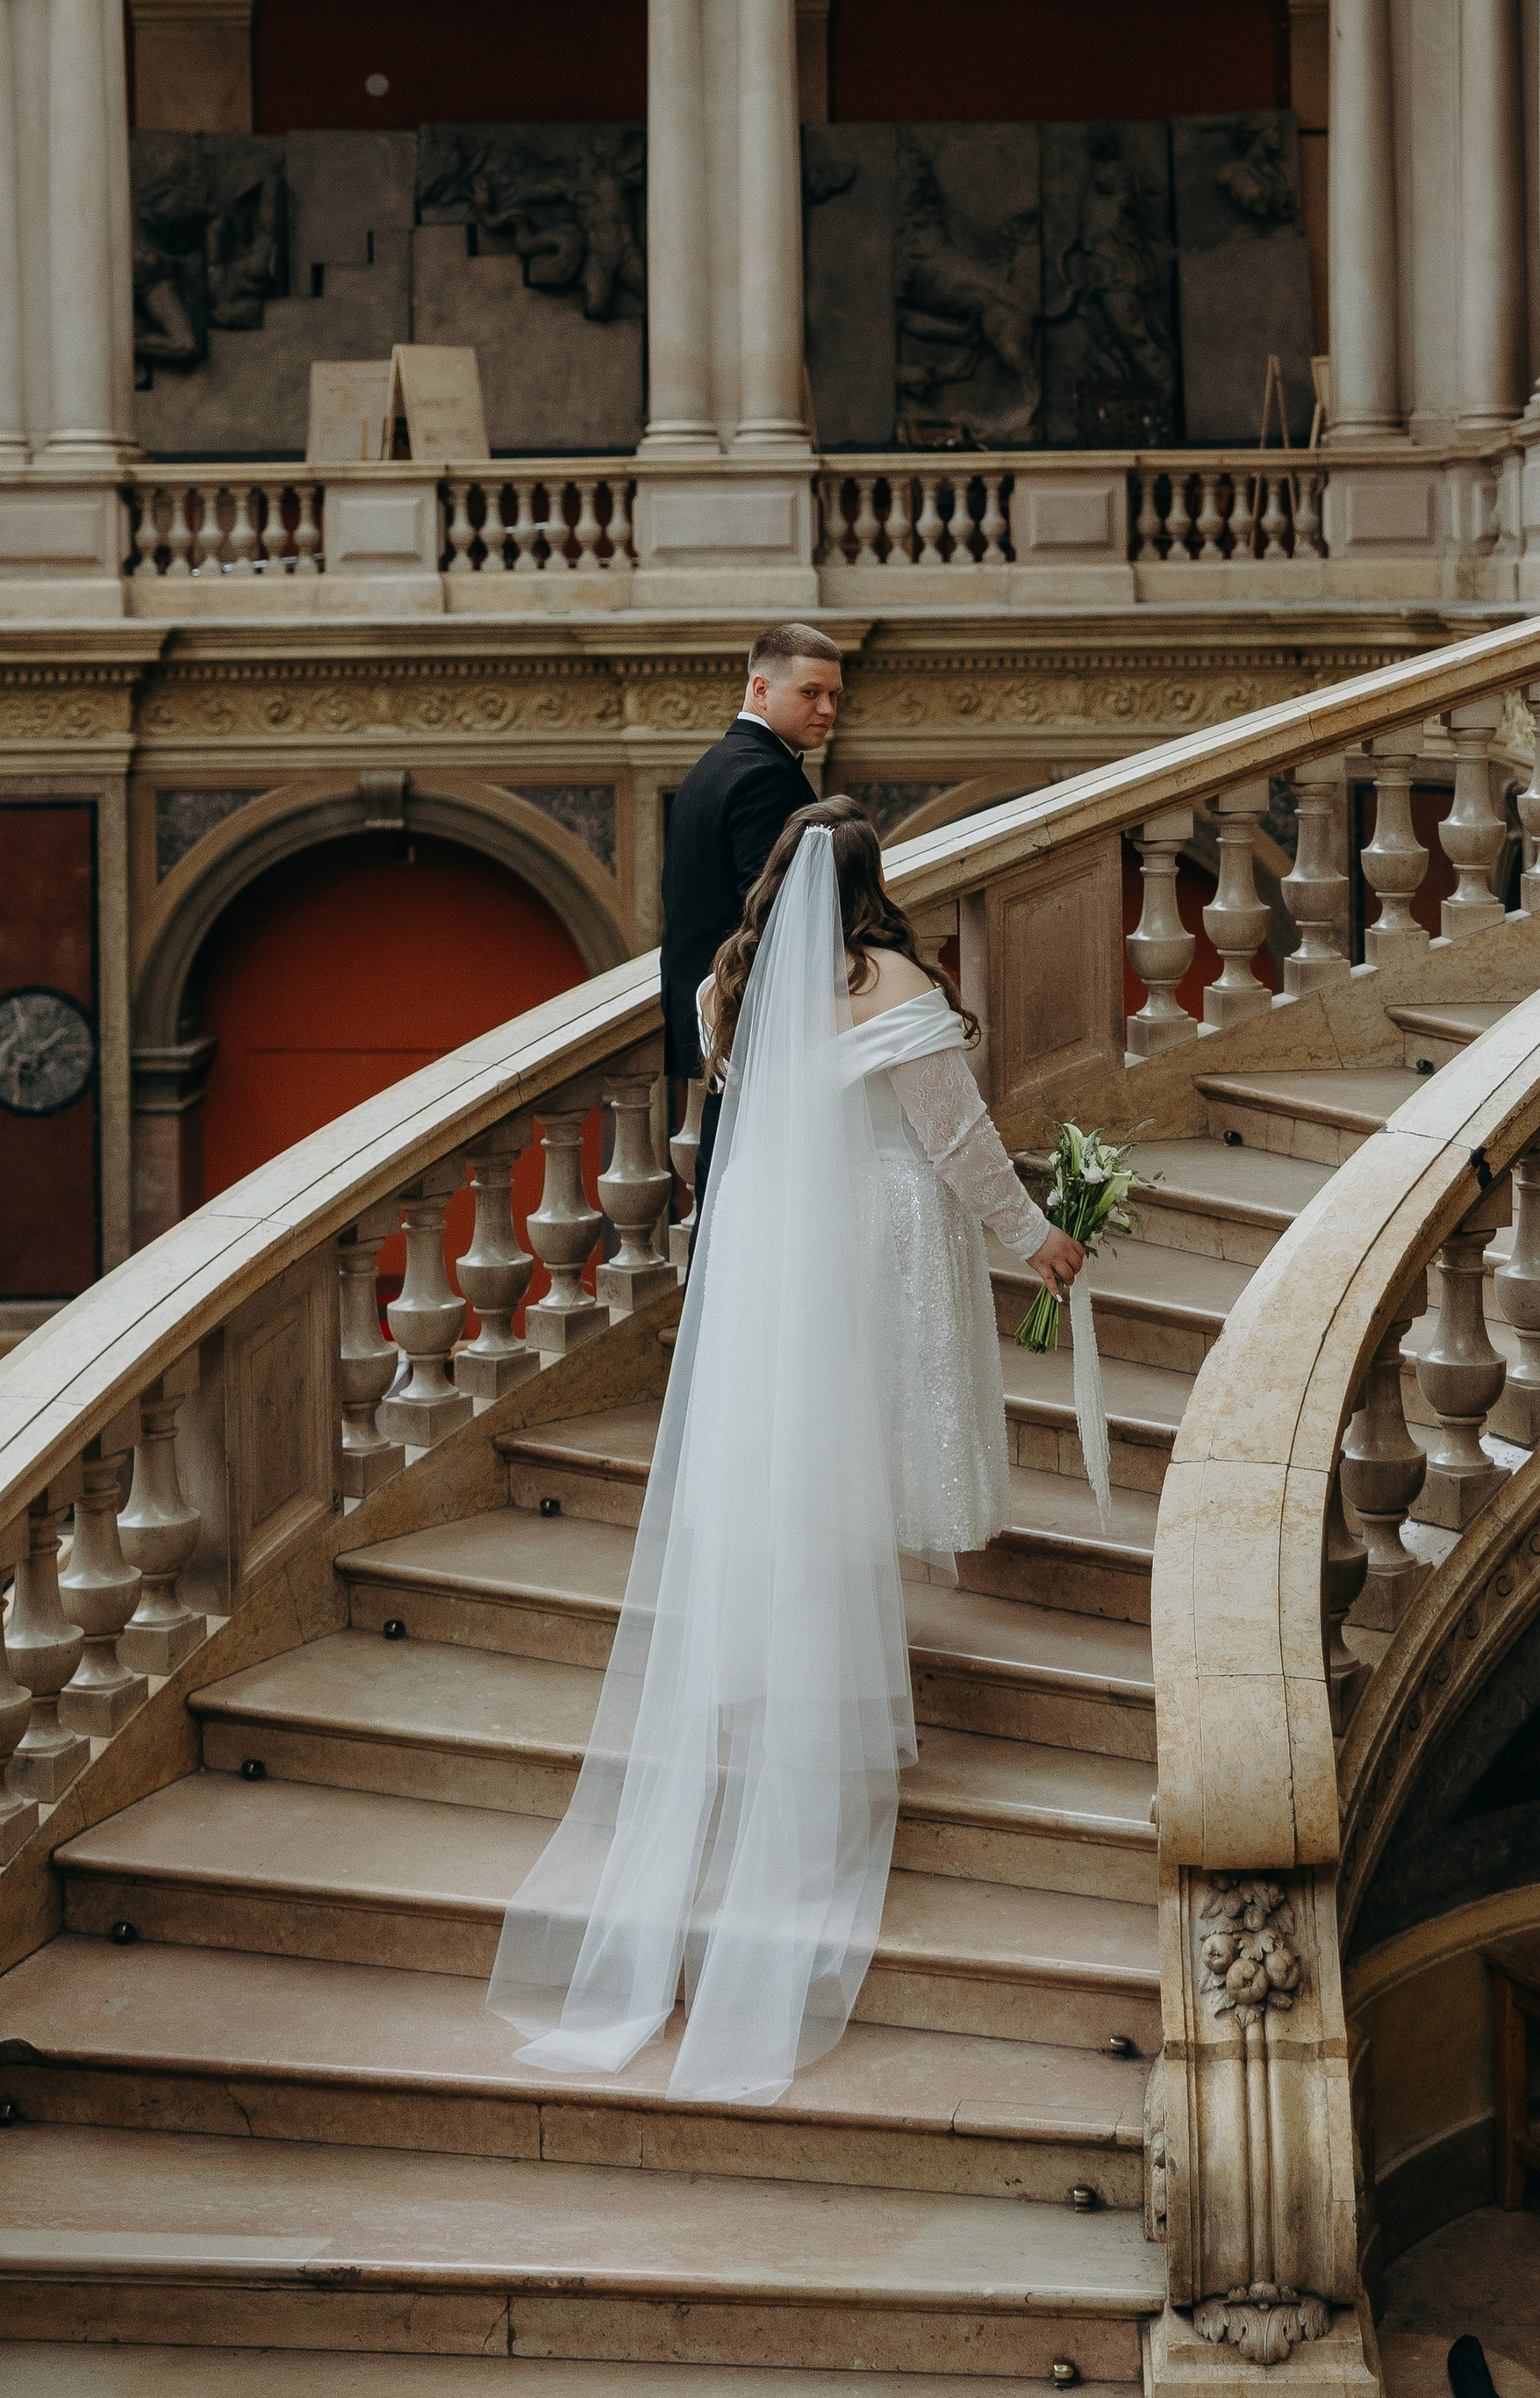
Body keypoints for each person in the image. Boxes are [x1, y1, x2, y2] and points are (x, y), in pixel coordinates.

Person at [489, 797, 1086, 2107]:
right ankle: (826, 1677)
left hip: (767, 1243)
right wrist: (1034, 1233)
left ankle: (782, 1649)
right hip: (869, 1233)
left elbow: (750, 1107)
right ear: (878, 882)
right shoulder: (895, 981)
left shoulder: (731, 982)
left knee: (792, 1452)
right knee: (855, 1444)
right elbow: (956, 1140)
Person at [659, 622, 842, 1195]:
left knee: (730, 1188)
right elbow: (773, 918)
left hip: (719, 1013)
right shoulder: (769, 777)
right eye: (810, 692)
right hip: (753, 1024)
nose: (828, 708)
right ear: (761, 690)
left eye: (835, 695)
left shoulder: (717, 763)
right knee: (747, 1189)